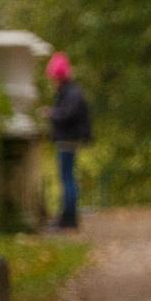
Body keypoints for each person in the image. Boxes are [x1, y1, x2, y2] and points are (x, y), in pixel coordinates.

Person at [44, 53, 91, 231]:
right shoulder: (71, 92)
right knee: (67, 176)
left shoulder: (71, 93)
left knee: (67, 177)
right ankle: (67, 215)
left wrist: (51, 114)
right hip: (69, 139)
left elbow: (67, 114)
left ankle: (69, 217)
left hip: (67, 140)